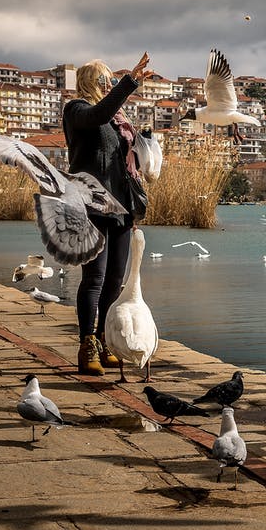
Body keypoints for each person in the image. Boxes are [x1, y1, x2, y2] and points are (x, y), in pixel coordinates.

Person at [63, 52, 150, 376]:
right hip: (92, 204)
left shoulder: (116, 121)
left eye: (112, 80)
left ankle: (104, 339)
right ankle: (87, 345)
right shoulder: (77, 111)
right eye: (106, 80)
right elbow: (98, 114)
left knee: (115, 279)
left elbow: (120, 156)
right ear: (91, 82)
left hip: (121, 207)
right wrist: (129, 83)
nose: (109, 84)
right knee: (95, 278)